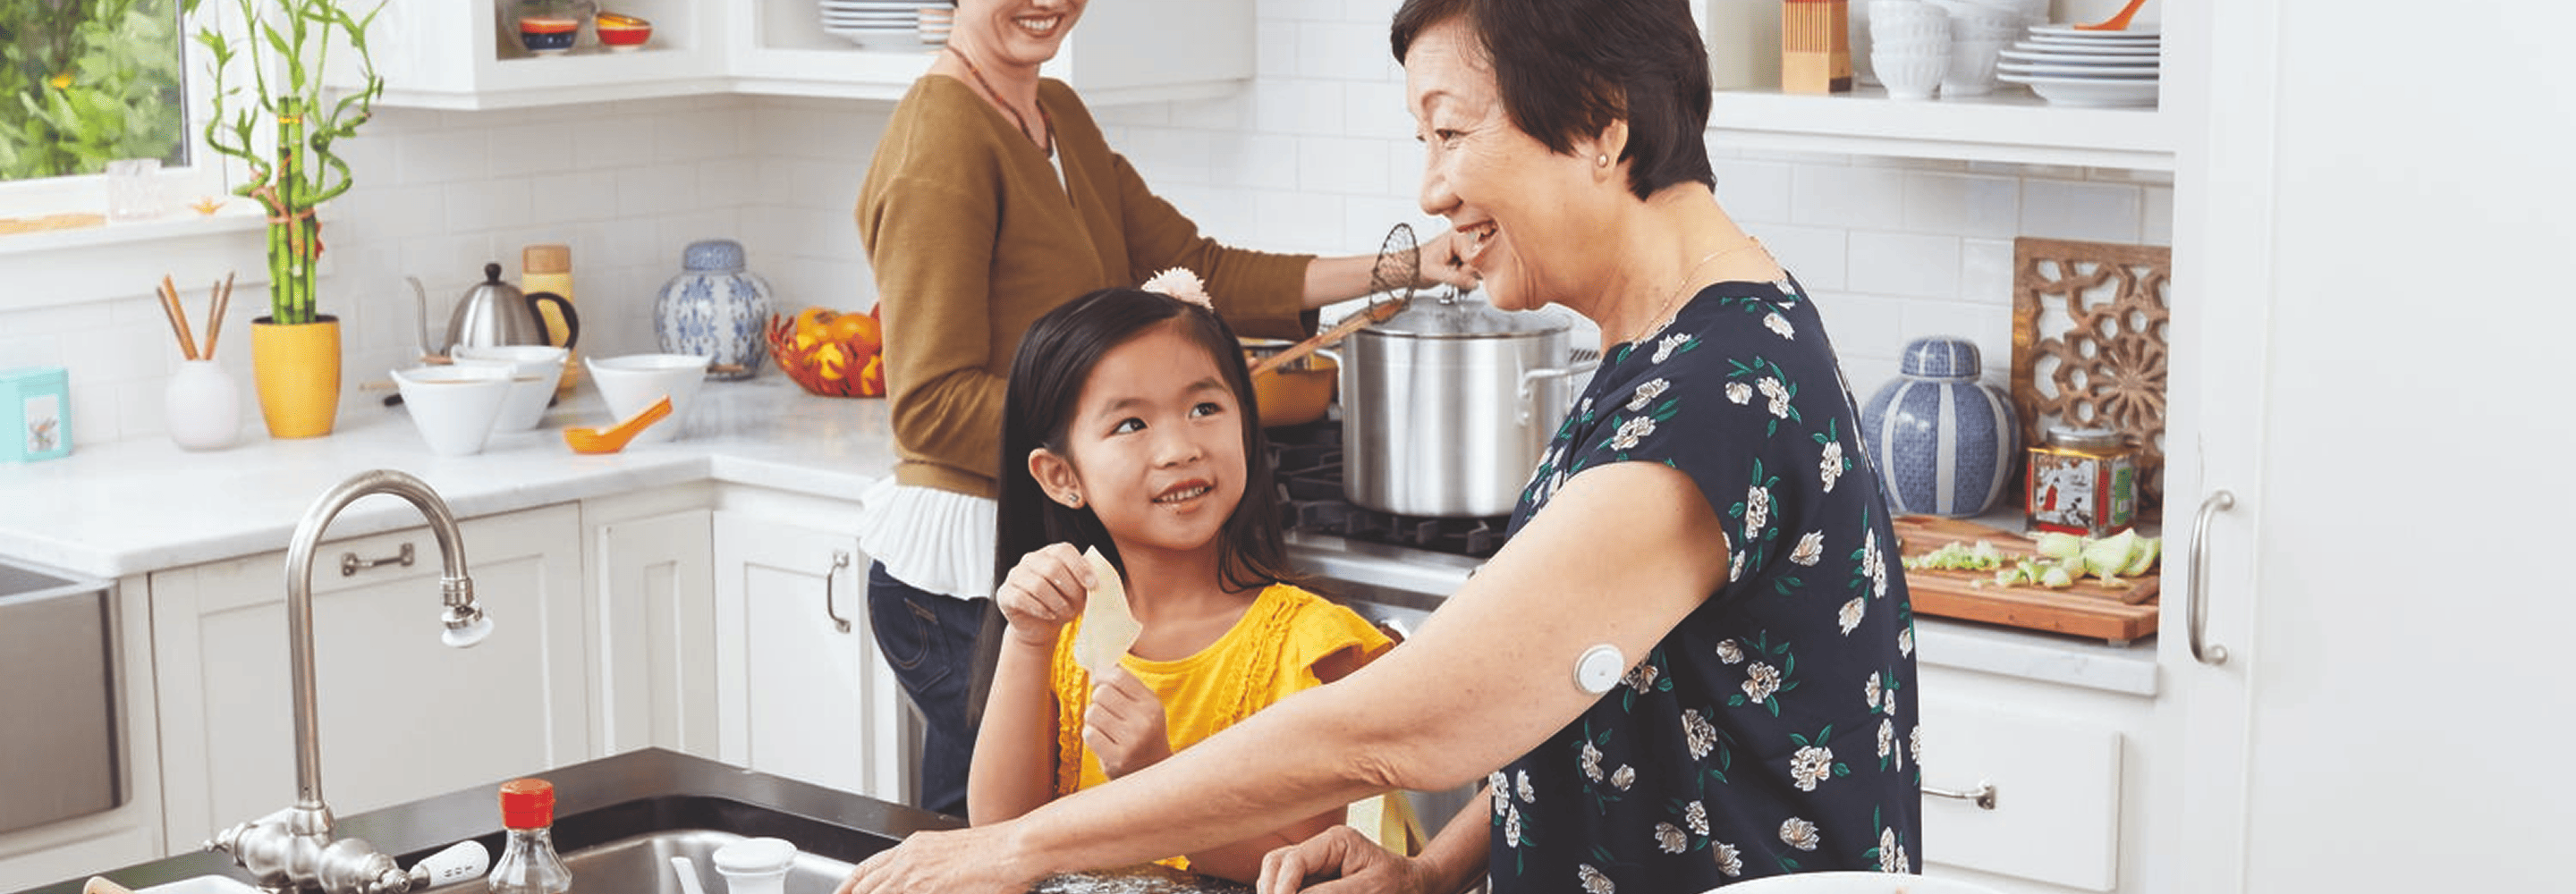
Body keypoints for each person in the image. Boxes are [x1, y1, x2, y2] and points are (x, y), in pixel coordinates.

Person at [834, 0, 1920, 890]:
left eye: (1450, 133)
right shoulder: (1677, 340)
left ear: (1601, 123)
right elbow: (1579, 686)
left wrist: (1014, 847)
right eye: (1425, 142)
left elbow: (1409, 721)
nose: (1432, 189)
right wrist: (1433, 870)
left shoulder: (1711, 399)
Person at [852, 0, 1476, 819]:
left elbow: (1196, 269)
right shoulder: (941, 141)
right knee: (1002, 837)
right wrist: (1103, 441)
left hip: (1055, 535)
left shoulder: (1052, 111)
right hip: (970, 566)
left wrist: (1412, 264)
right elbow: (929, 406)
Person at [974, 283, 1410, 883]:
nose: (1179, 449)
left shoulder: (1313, 646)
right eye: (1131, 423)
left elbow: (1309, 870)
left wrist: (1157, 775)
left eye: (1204, 409)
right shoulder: (1061, 633)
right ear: (1061, 476)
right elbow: (996, 836)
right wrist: (1026, 639)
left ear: (1245, 424)